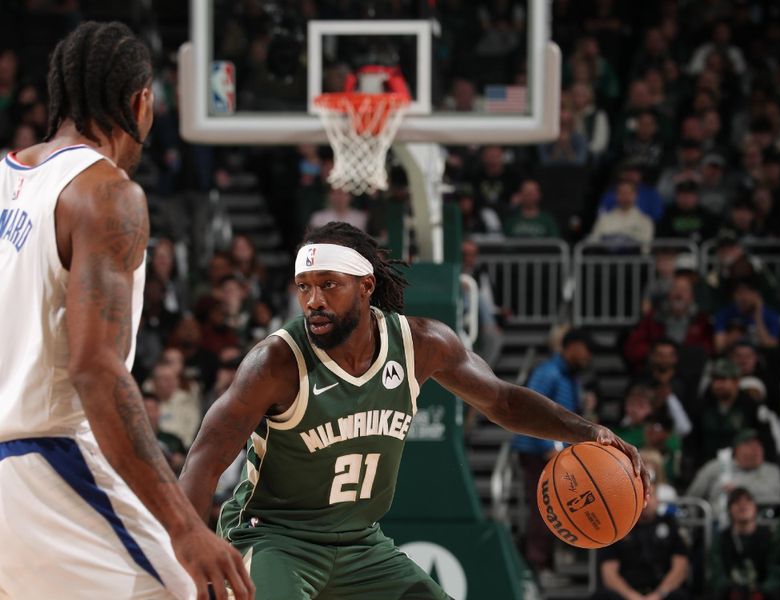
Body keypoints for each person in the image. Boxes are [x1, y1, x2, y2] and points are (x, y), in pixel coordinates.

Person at [179, 223, 648, 599]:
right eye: (304, 287)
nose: (314, 301)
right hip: (276, 537)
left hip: (360, 542)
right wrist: (186, 545)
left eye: (329, 285)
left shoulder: (421, 343)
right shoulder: (276, 361)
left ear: (366, 286)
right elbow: (206, 456)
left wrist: (585, 432)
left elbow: (501, 400)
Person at [0, 22, 252, 600]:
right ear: (141, 103)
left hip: (12, 477)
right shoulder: (106, 193)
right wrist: (186, 527)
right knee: (194, 587)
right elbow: (96, 370)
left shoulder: (7, 179)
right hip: (52, 463)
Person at [511, 327, 595, 572]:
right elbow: (532, 409)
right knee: (545, 507)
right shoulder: (548, 372)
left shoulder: (571, 377)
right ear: (572, 347)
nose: (589, 356)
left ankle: (547, 560)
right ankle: (536, 563)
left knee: (559, 508)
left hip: (557, 453)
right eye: (586, 349)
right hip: (539, 452)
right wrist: (550, 447)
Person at [594, 494, 690, 600]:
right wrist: (632, 596)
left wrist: (658, 595)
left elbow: (680, 568)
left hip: (661, 592)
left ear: (657, 500)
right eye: (641, 496)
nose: (647, 502)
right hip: (627, 592)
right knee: (603, 596)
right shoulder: (618, 529)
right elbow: (609, 574)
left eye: (650, 496)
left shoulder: (670, 525)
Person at [686, 430, 780, 518]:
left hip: (760, 525)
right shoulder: (715, 467)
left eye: (758, 444)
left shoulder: (771, 471)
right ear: (737, 449)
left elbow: (775, 497)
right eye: (749, 444)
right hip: (717, 526)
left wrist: (739, 490)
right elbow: (692, 497)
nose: (756, 449)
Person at [708, 487, 780, 600]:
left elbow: (776, 570)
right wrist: (729, 588)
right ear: (730, 509)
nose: (743, 506)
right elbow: (716, 572)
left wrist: (763, 590)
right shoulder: (721, 539)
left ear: (755, 507)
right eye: (737, 502)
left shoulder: (769, 537)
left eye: (747, 501)